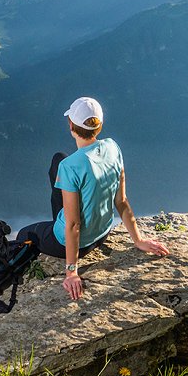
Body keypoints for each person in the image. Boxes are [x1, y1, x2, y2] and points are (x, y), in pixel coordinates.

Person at [18, 96, 170, 300]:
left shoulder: (70, 167)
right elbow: (121, 201)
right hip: (102, 233)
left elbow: (73, 225)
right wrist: (138, 240)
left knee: (25, 234)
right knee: (59, 158)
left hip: (74, 243)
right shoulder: (113, 147)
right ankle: (60, 219)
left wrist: (71, 272)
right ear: (100, 125)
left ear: (71, 125)